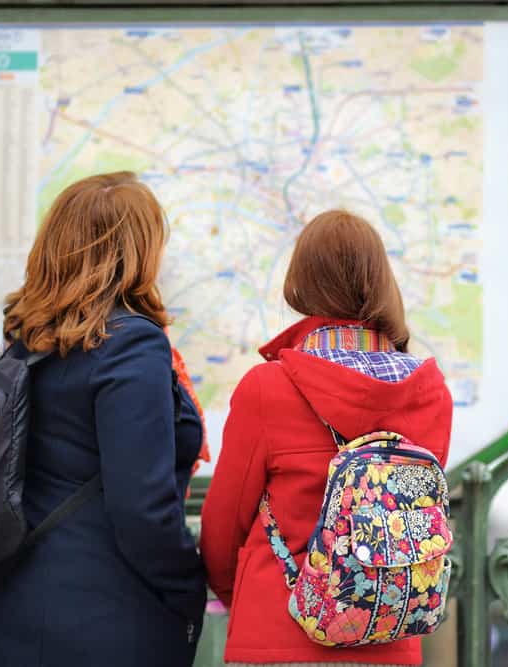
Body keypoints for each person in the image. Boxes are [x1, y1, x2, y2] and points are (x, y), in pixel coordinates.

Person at [0, 172, 207, 666]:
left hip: (9, 613)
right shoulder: (131, 345)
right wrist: (188, 583)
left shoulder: (25, 343)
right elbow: (142, 508)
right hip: (104, 620)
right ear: (138, 251)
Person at [200, 210, 453, 666]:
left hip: (277, 639)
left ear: (301, 282)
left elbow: (222, 528)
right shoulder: (430, 394)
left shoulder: (268, 388)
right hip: (389, 641)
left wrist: (250, 597)